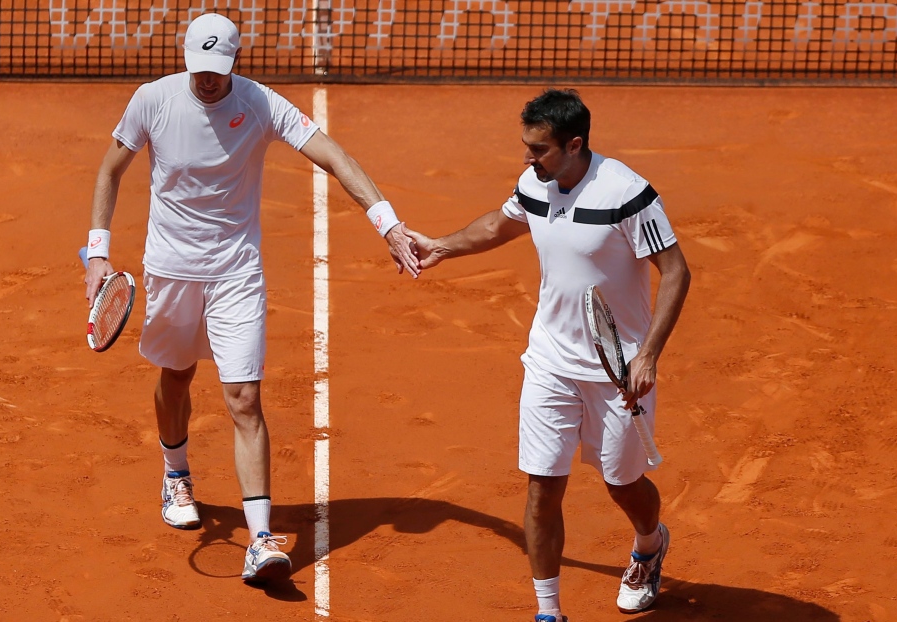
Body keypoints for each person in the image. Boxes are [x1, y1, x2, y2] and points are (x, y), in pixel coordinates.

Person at [83, 13, 419, 585]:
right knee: (176, 378)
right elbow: (111, 168)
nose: (209, 81)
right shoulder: (153, 99)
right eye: (199, 69)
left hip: (236, 273)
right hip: (171, 272)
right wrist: (97, 252)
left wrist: (387, 222)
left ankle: (260, 537)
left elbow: (334, 155)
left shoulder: (260, 104)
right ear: (185, 57)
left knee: (243, 398)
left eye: (219, 71)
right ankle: (175, 473)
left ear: (235, 64)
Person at [405, 89, 690, 620]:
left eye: (538, 149)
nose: (528, 159)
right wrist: (441, 246)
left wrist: (647, 356)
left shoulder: (626, 193)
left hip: (618, 368)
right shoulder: (535, 183)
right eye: (526, 147)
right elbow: (500, 224)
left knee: (621, 482)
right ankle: (548, 611)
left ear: (574, 144)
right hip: (550, 363)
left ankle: (649, 544)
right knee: (542, 488)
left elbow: (675, 272)